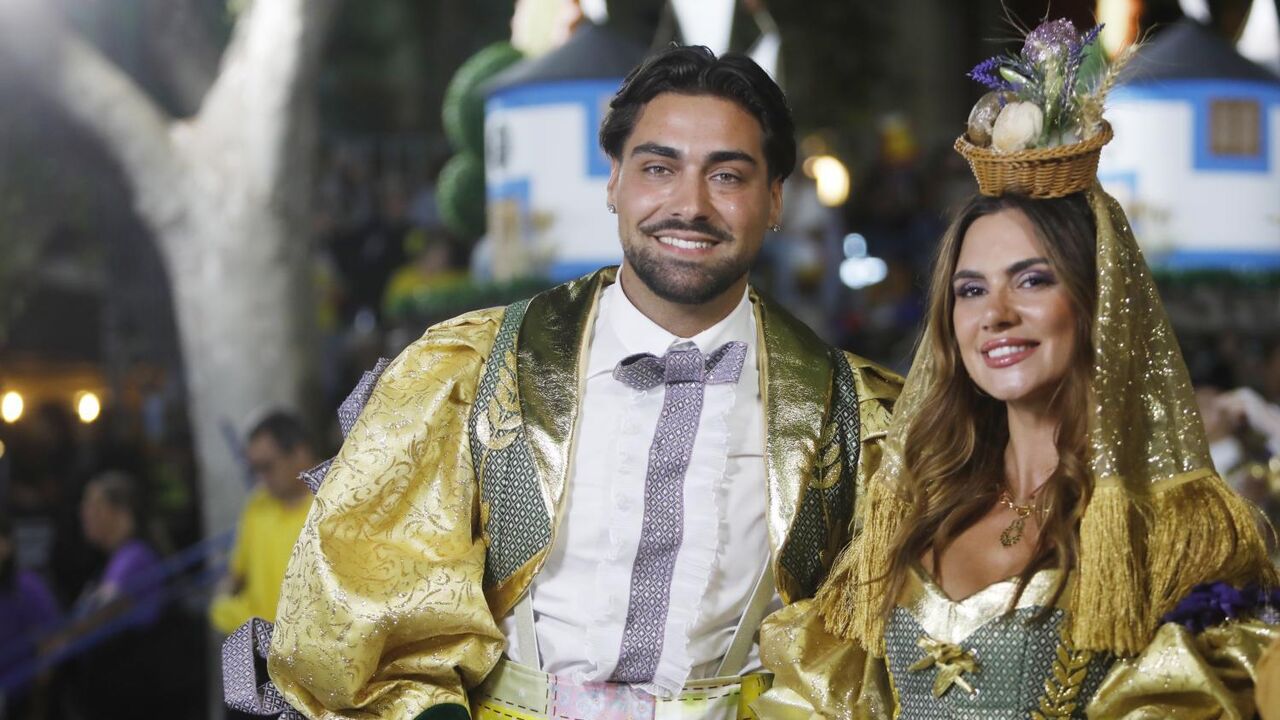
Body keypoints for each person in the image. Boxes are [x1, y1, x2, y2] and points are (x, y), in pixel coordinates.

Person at [263, 46, 900, 720]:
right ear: (614, 181)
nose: (690, 205)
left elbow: (861, 654)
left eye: (727, 176)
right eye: (659, 168)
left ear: (774, 199)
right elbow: (369, 598)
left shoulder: (852, 414)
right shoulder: (476, 369)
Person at [754, 19, 1279, 719]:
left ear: (1097, 303)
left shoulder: (1173, 535)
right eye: (971, 290)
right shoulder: (913, 507)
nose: (995, 314)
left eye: (1032, 280)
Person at [209, 410, 316, 634]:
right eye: (255, 469)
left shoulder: (336, 507)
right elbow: (237, 575)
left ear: (299, 454)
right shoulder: (257, 505)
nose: (261, 478)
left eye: (267, 467)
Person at [0, 513, 62, 719]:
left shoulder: (27, 586)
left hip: (18, 697)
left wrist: (37, 705)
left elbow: (50, 643)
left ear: (6, 545)